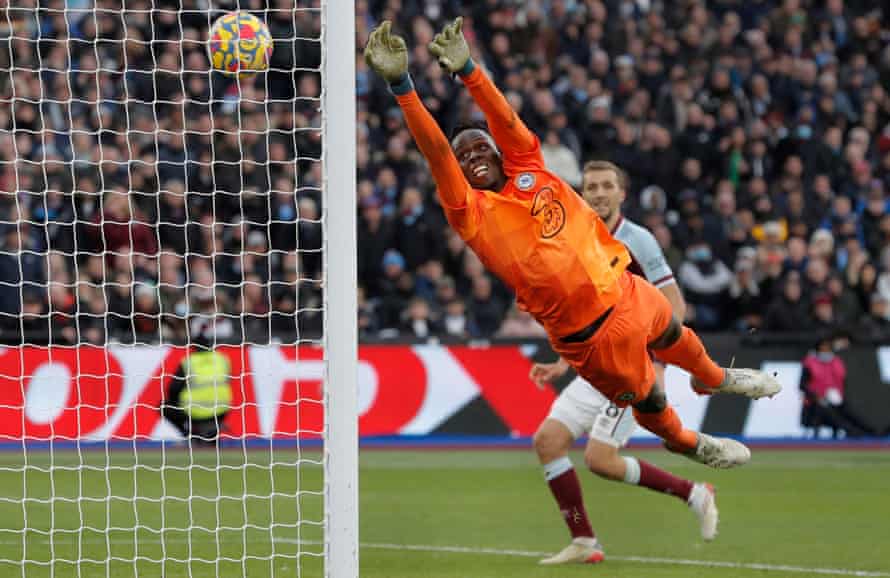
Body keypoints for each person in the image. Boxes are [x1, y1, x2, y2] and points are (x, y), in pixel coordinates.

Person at [363, 18, 780, 562]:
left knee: (678, 334)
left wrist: (468, 69)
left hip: (626, 290)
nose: (472, 156)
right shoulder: (471, 213)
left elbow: (505, 119)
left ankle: (723, 379)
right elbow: (437, 152)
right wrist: (403, 88)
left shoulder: (532, 166)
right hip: (594, 339)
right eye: (465, 157)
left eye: (479, 147)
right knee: (656, 414)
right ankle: (694, 449)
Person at [529, 161, 717, 564]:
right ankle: (584, 541)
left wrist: (660, 361)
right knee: (548, 442)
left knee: (600, 460)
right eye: (591, 186)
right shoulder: (577, 239)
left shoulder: (639, 240)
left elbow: (674, 306)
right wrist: (562, 362)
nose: (598, 192)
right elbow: (584, 315)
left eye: (606, 186)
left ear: (621, 193)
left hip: (635, 370)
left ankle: (694, 493)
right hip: (597, 367)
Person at [160, 319, 233, 445]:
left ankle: (190, 435)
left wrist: (176, 401)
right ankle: (212, 431)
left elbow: (173, 388)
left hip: (194, 411)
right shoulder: (222, 360)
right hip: (222, 410)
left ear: (194, 346)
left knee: (164, 406)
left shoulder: (189, 362)